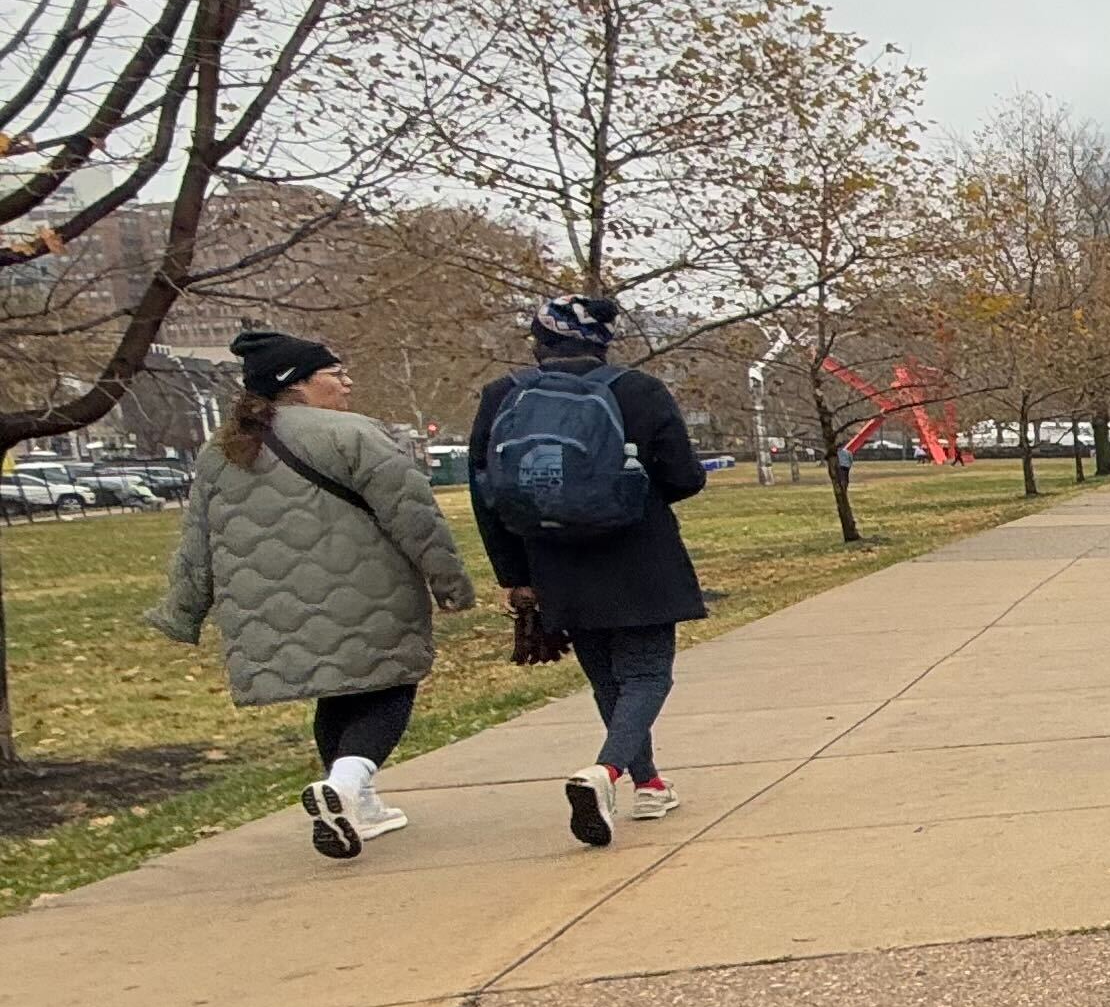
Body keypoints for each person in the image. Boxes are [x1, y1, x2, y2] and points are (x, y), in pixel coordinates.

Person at [146, 329, 477, 861]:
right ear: (296, 384)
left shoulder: (222, 450)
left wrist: (182, 612)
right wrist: (450, 586)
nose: (348, 382)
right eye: (335, 373)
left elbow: (196, 543)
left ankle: (354, 802)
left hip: (271, 607)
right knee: (391, 685)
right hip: (366, 593)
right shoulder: (355, 435)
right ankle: (346, 785)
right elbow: (416, 518)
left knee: (337, 691)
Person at [470, 295, 712, 844]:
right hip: (638, 553)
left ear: (538, 341)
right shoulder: (638, 391)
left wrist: (513, 575)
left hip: (552, 559)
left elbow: (487, 495)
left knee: (606, 676)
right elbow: (684, 477)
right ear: (603, 341)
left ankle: (647, 782)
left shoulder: (502, 397)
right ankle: (605, 773)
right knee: (647, 674)